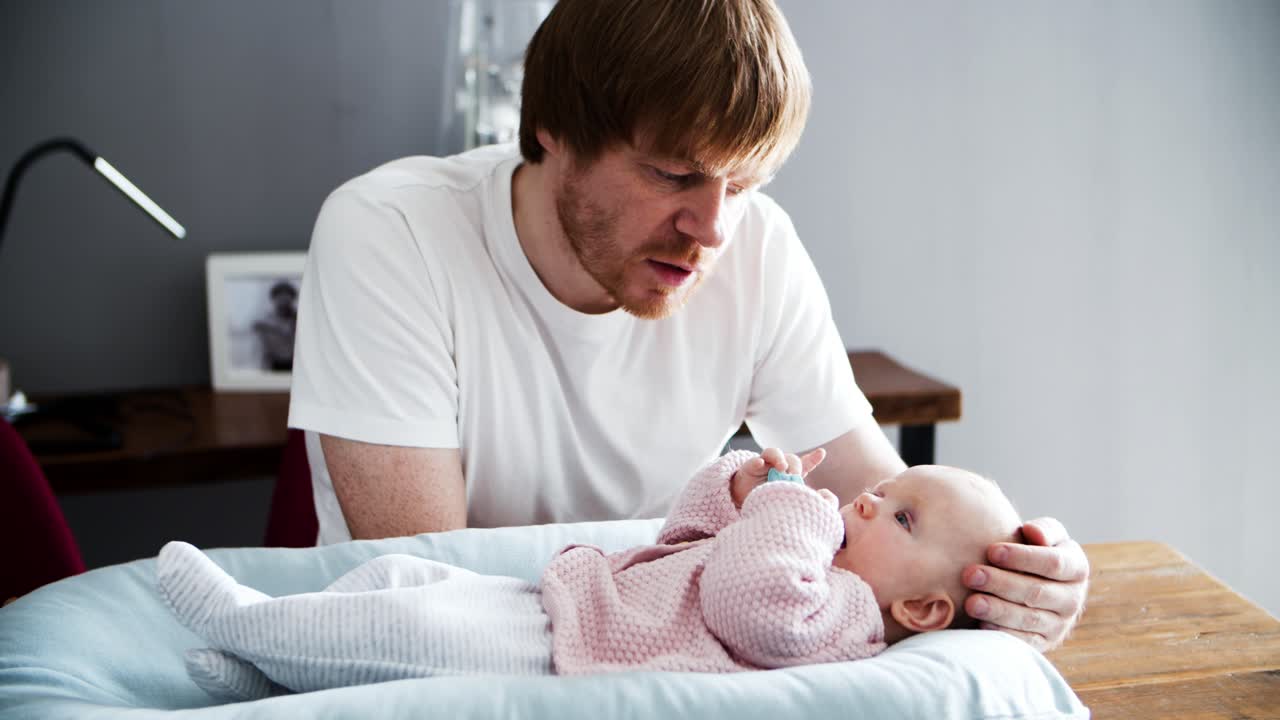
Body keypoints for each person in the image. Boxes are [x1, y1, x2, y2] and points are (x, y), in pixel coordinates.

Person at [286, 0, 1088, 650]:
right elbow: (431, 580)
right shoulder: (389, 232)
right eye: (674, 173)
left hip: (659, 654)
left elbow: (887, 507)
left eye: (744, 184)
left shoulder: (760, 249)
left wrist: (1007, 572)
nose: (712, 229)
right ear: (550, 133)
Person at [157, 448, 1023, 701]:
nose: (863, 505)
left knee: (402, 638)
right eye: (877, 491)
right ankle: (268, 670)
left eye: (898, 518)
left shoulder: (841, 615)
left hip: (571, 652)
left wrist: (792, 510)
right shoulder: (796, 546)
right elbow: (685, 537)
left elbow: (748, 605)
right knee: (395, 581)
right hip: (561, 602)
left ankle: (245, 624)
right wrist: (736, 487)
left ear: (921, 605)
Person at [250, 280, 297, 371]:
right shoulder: (263, 323)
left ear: (293, 298)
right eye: (280, 296)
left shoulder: (301, 320)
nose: (284, 301)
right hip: (273, 367)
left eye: (287, 296)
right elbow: (260, 351)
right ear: (274, 299)